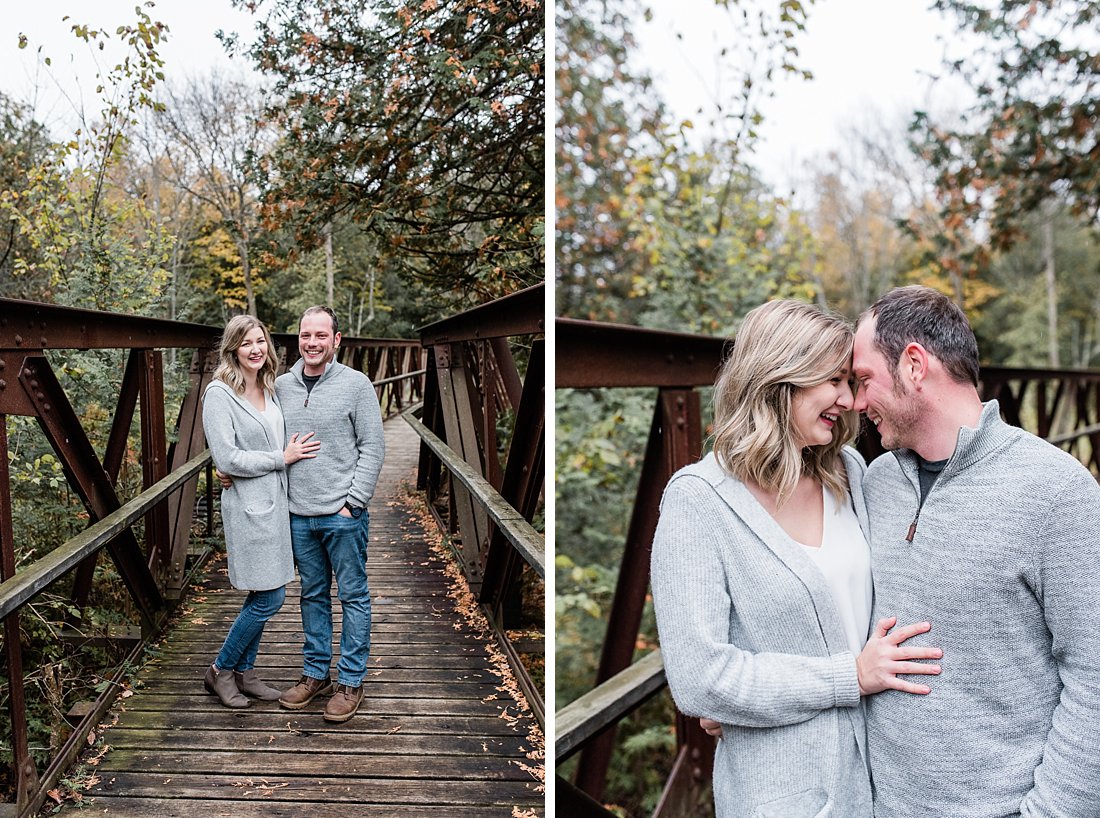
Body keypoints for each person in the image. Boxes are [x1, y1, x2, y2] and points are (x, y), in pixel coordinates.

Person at [650, 300, 941, 818]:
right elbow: (700, 679)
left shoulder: (848, 470)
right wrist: (848, 676)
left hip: (881, 786)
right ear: (780, 377)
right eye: (833, 380)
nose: (849, 400)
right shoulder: (698, 500)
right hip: (784, 794)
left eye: (851, 381)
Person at [852, 285, 1100, 817]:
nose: (855, 402)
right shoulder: (875, 483)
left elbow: (1094, 679)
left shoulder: (1057, 492)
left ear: (914, 365)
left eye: (864, 380)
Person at [201, 315, 320, 709]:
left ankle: (245, 673)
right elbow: (227, 455)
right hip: (249, 508)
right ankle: (221, 669)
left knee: (262, 591)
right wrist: (279, 458)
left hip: (277, 505)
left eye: (261, 341)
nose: (255, 349)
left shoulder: (269, 387)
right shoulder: (219, 394)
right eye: (246, 342)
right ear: (232, 348)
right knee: (270, 597)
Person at [275, 305, 385, 723]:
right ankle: (315, 673)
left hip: (342, 514)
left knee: (353, 596)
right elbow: (252, 424)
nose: (313, 343)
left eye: (321, 335)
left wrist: (352, 503)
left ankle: (351, 680)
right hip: (298, 515)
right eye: (306, 335)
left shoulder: (356, 385)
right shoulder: (281, 386)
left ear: (337, 340)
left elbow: (373, 446)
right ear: (298, 339)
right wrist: (231, 469)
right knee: (312, 595)